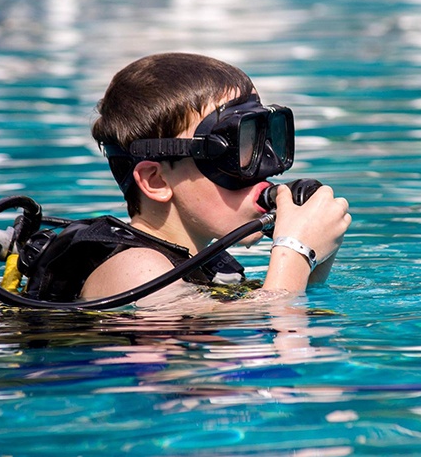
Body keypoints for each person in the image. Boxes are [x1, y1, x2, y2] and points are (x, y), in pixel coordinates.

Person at [75, 52, 351, 303]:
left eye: (260, 141)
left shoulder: (205, 263)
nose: (265, 171)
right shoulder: (136, 269)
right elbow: (274, 339)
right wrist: (295, 250)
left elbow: (297, 309)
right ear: (156, 181)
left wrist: (317, 255)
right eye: (236, 154)